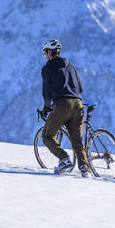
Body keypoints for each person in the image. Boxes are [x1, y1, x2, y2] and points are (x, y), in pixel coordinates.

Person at [40, 39, 92, 178]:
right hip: (78, 104)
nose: (45, 56)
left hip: (63, 105)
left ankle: (64, 159)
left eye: (45, 53)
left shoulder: (47, 68)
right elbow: (80, 88)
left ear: (50, 52)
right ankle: (85, 169)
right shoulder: (71, 66)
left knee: (47, 136)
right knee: (77, 140)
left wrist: (46, 107)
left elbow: (46, 92)